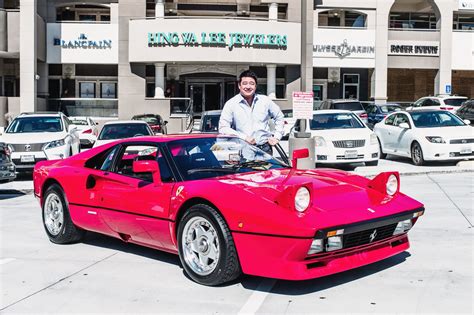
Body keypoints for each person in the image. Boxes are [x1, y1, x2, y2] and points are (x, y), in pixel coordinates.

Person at [219, 70, 284, 155]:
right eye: (245, 83)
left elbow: (279, 117)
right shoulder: (231, 104)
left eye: (252, 83)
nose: (248, 86)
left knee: (268, 169)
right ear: (239, 86)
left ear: (256, 86)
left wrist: (277, 136)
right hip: (242, 149)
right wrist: (244, 137)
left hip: (264, 149)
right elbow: (223, 128)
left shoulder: (265, 101)